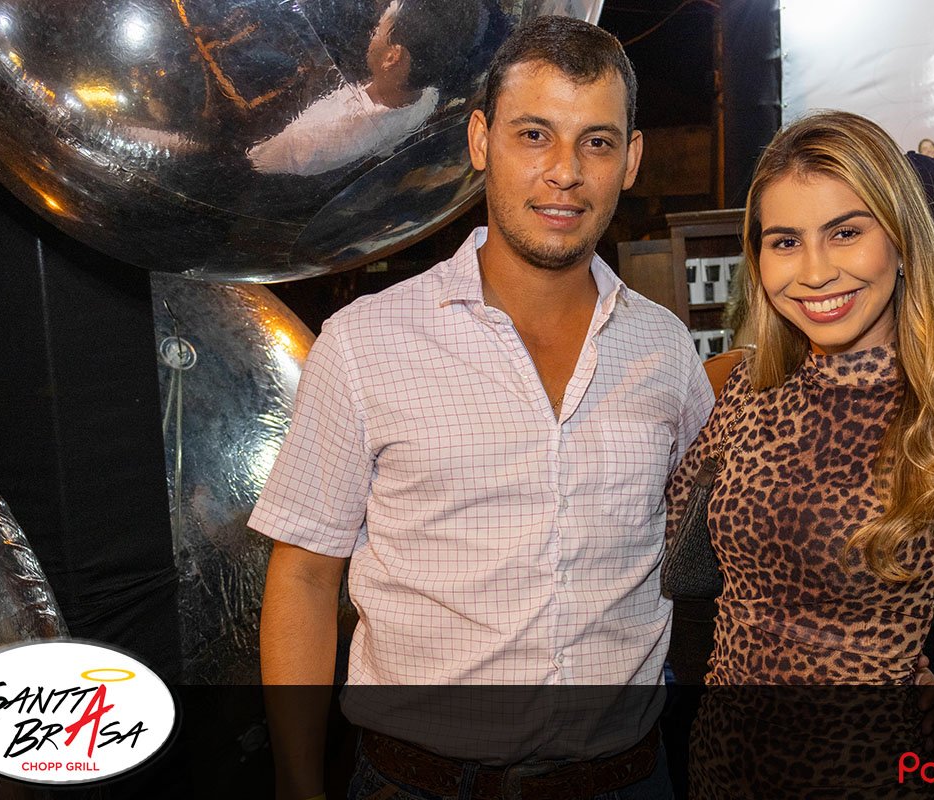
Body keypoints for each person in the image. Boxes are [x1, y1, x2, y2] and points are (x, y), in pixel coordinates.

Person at [249, 15, 714, 800]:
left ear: (631, 160)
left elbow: (715, 536)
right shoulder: (365, 344)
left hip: (629, 778)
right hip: (416, 784)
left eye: (597, 142)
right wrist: (298, 782)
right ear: (479, 141)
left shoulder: (664, 348)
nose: (565, 172)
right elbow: (303, 577)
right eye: (534, 135)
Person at [669, 111, 934, 795]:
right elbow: (674, 547)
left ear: (903, 242)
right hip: (720, 769)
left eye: (846, 232)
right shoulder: (746, 394)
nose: (816, 272)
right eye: (786, 241)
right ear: (759, 260)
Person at [248, 0, 479, 175]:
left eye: (378, 28)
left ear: (392, 57)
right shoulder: (428, 97)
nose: (372, 33)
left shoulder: (312, 136)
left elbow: (259, 163)